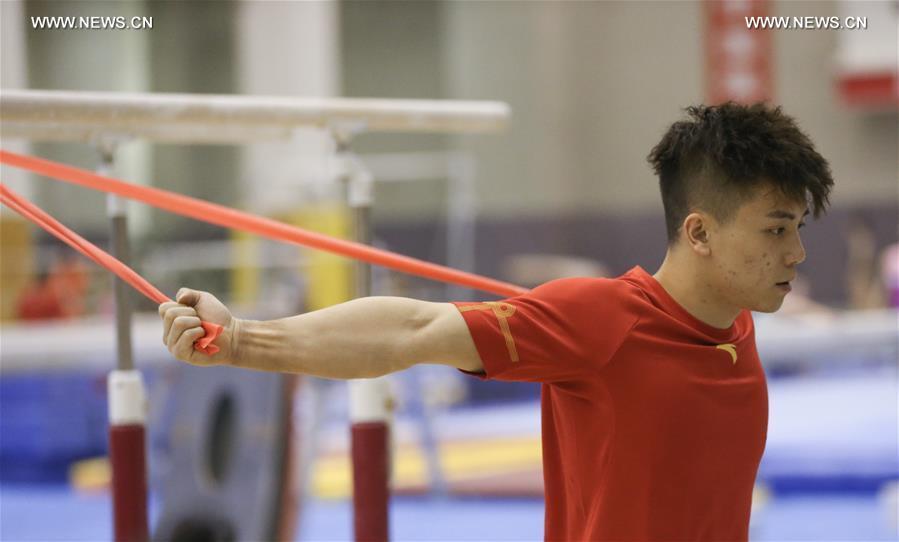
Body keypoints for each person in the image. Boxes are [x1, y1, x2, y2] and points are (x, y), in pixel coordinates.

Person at [159, 102, 834, 541]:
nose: (796, 252)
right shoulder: (603, 320)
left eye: (798, 228)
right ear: (699, 232)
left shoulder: (735, 327)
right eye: (776, 229)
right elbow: (411, 330)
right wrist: (241, 340)